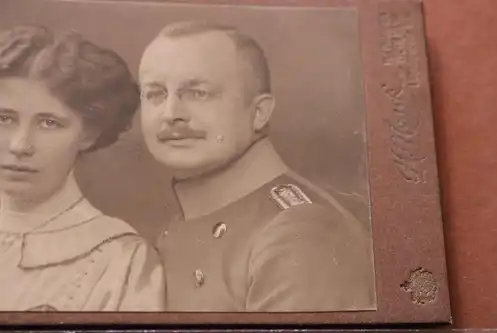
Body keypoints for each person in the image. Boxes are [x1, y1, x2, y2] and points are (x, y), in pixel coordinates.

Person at [139, 20, 376, 312]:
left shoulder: (302, 231)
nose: (171, 113)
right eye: (155, 93)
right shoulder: (178, 226)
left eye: (198, 92)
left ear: (259, 113)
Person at [0, 25, 166, 311]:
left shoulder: (119, 259)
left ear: (89, 133)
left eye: (49, 123)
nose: (20, 145)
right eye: (4, 119)